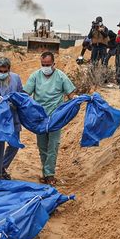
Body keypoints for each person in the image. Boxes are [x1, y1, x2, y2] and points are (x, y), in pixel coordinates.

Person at [24, 51, 76, 185]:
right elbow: (25, 93)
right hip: (39, 118)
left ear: (54, 64)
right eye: (43, 64)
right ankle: (45, 172)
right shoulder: (35, 76)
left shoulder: (61, 76)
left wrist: (76, 100)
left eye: (48, 64)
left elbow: (71, 94)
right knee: (42, 146)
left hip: (55, 118)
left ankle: (50, 174)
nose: (46, 67)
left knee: (53, 145)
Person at [0, 57, 23, 180]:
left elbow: (21, 93)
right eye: (0, 71)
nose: (2, 74)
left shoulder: (16, 78)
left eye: (5, 71)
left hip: (13, 116)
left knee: (15, 144)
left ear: (9, 69)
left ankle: (3, 166)